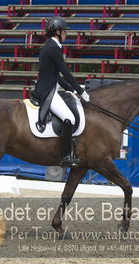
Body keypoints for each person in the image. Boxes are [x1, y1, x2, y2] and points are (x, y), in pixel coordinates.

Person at [34, 16, 90, 168]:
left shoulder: (51, 46)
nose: (66, 34)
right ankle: (65, 156)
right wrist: (80, 91)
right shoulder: (53, 47)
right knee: (69, 119)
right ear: (57, 31)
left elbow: (56, 76)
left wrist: (71, 89)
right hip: (47, 91)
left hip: (50, 87)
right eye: (64, 31)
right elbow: (65, 72)